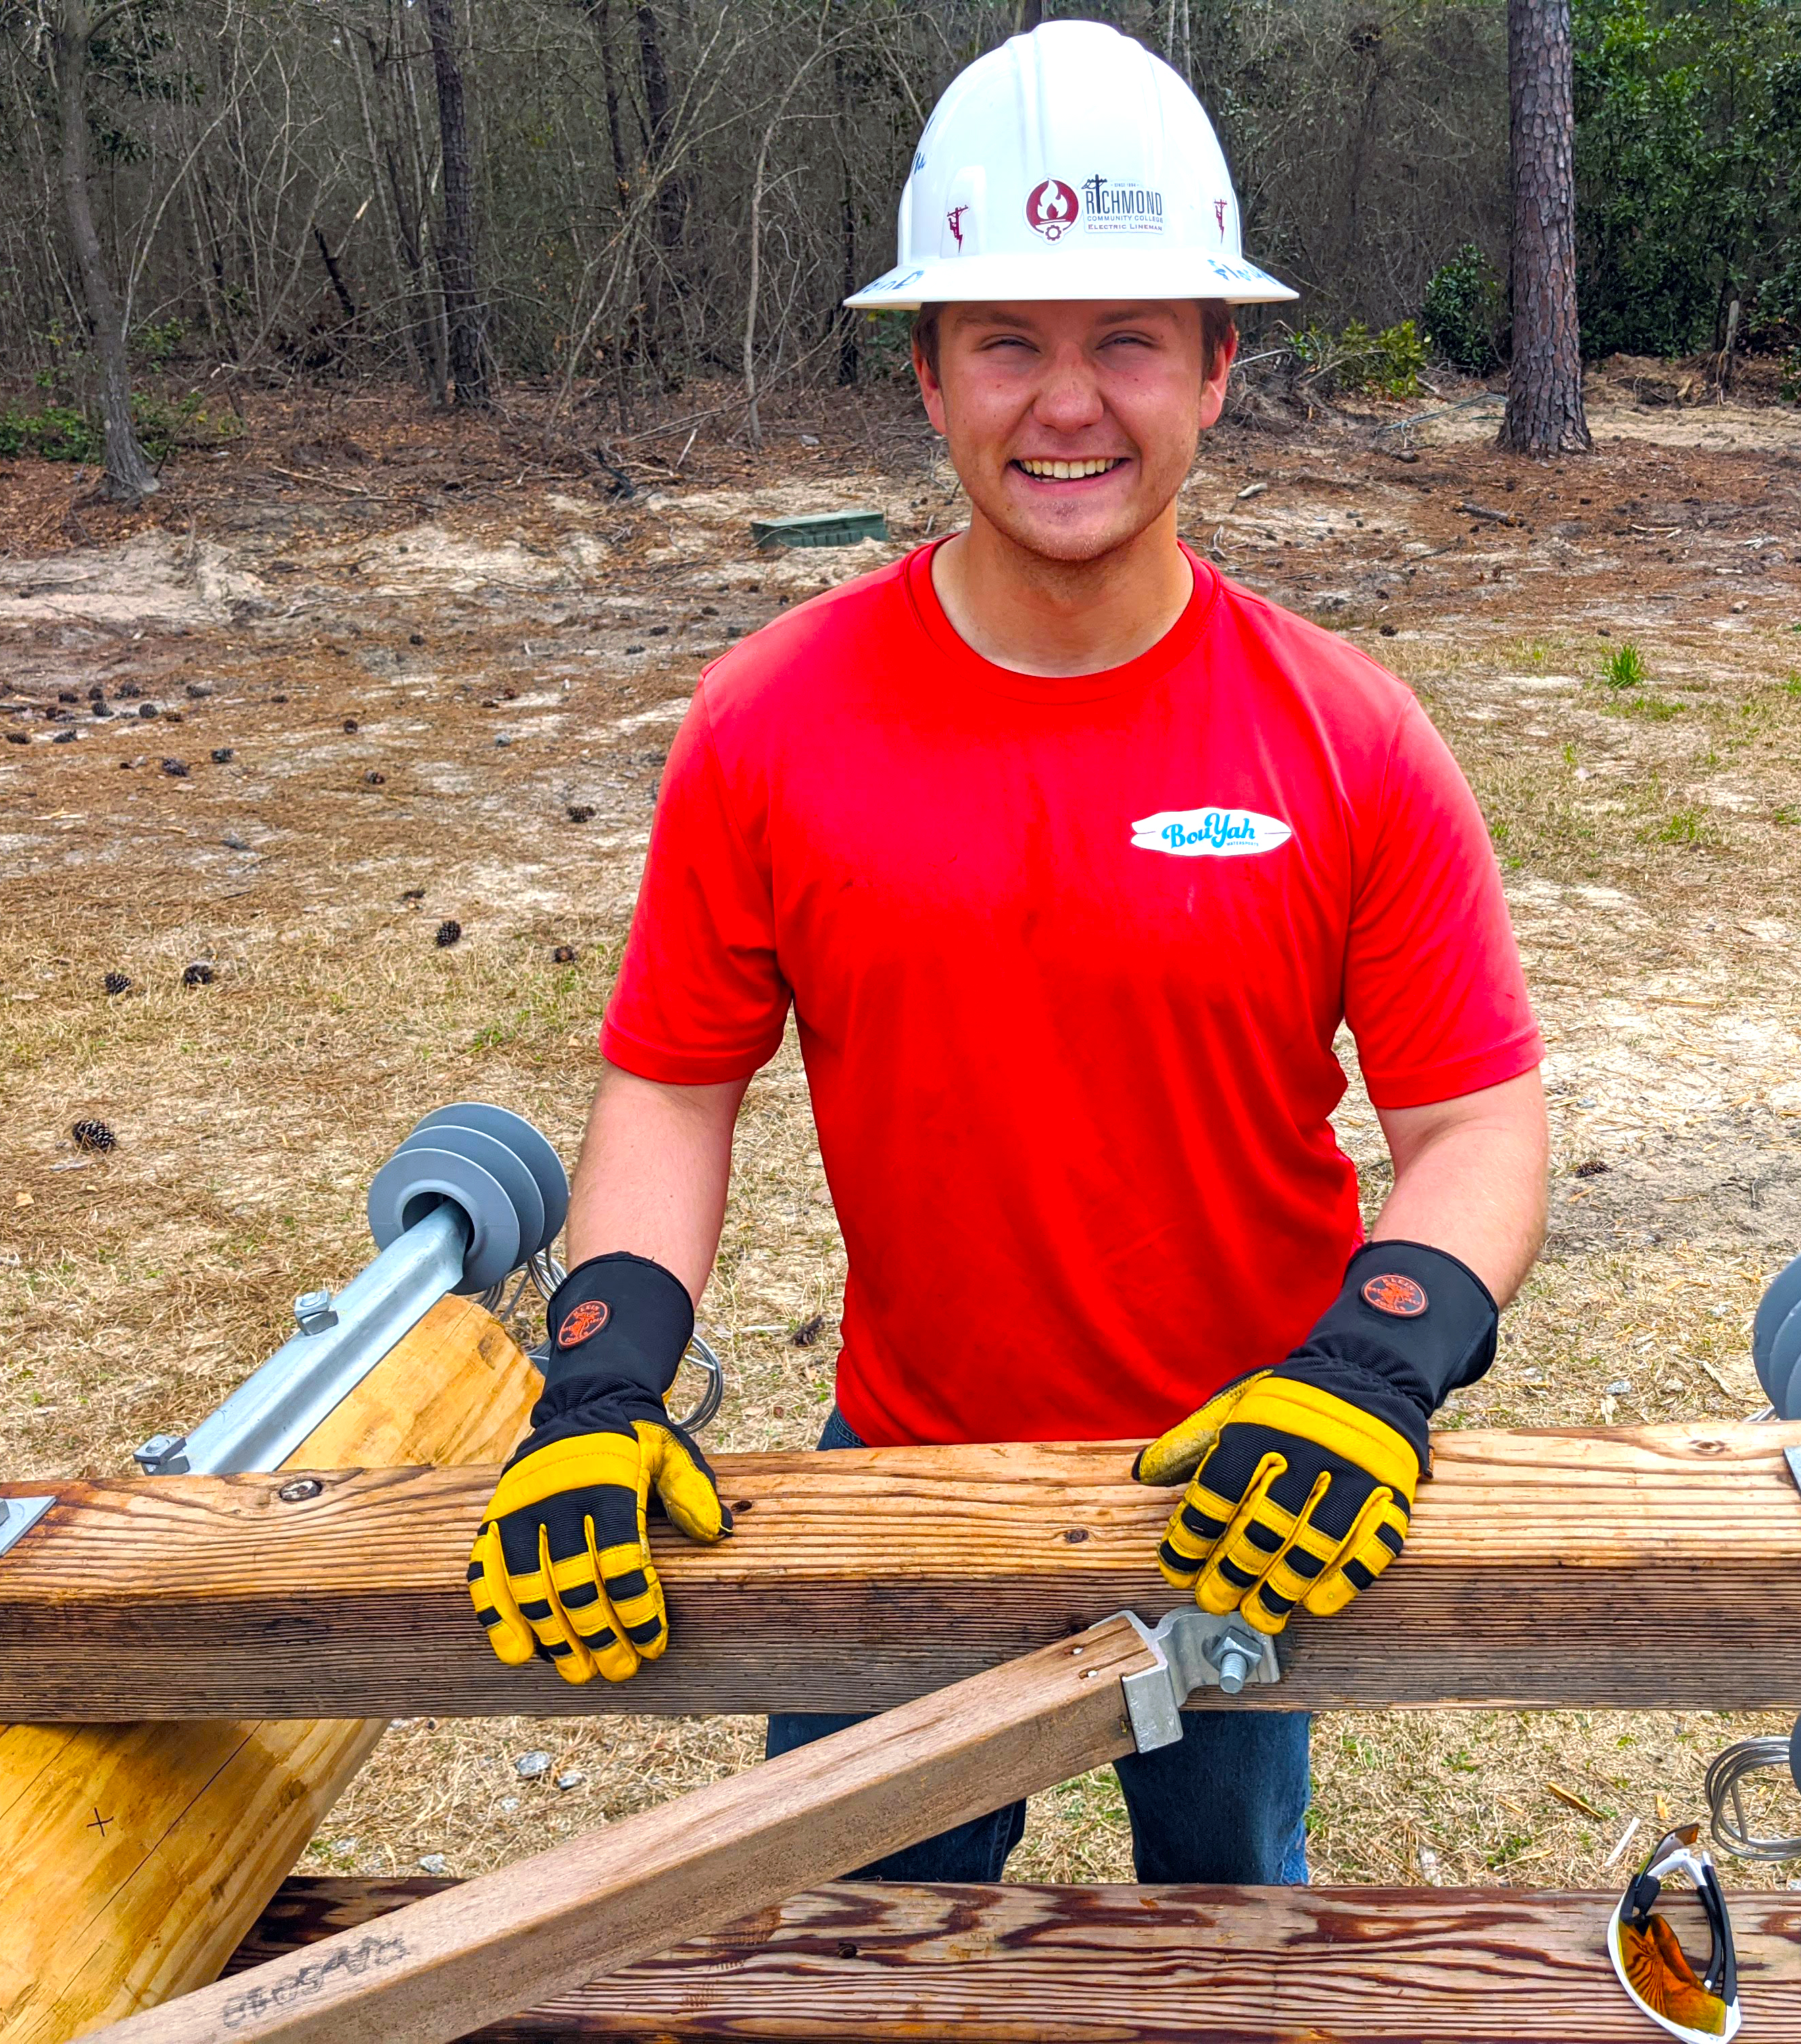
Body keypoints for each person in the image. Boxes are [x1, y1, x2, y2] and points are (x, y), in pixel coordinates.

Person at [464, 18, 1550, 1887]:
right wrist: (599, 1384)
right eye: (1009, 343)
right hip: (903, 1478)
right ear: (927, 376)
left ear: (1219, 366)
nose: (1070, 404)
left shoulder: (1349, 735)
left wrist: (1373, 1375)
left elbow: (1474, 1127)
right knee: (866, 1964)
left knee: (1225, 1954)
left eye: (1128, 337)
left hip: (1255, 1486)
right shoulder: (771, 723)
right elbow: (671, 1084)